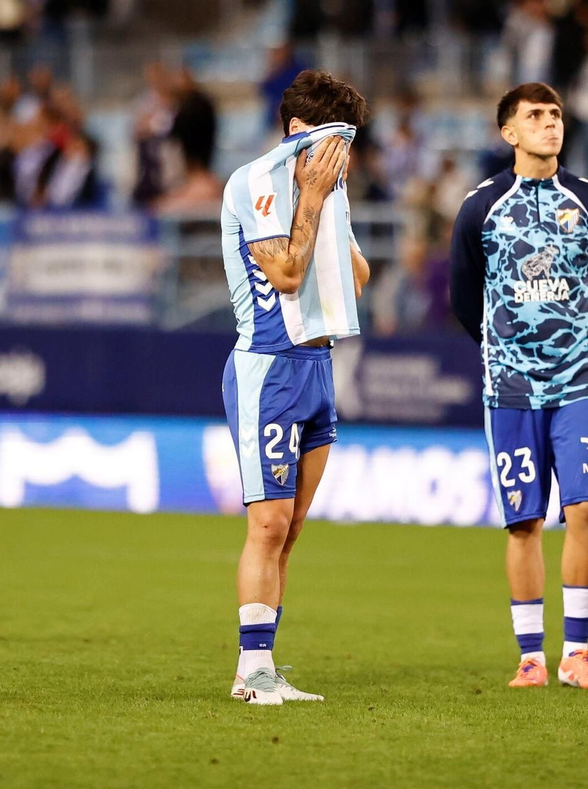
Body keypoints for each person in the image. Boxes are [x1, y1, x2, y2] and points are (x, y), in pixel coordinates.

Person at [448, 82, 588, 691]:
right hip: (511, 387)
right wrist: (505, 350)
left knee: (585, 512)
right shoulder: (482, 206)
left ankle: (579, 652)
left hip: (580, 383)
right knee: (524, 522)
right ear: (509, 132)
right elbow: (463, 298)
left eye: (556, 114)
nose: (550, 124)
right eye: (535, 117)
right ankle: (530, 657)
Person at [220, 70, 369, 705]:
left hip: (318, 367)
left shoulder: (329, 188)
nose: (346, 154)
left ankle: (262, 664)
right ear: (298, 133)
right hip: (268, 368)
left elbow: (357, 278)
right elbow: (283, 273)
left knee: (294, 527)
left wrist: (333, 202)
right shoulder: (255, 182)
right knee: (269, 523)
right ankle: (251, 673)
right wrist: (310, 198)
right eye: (337, 139)